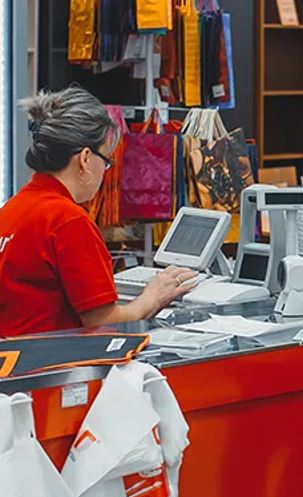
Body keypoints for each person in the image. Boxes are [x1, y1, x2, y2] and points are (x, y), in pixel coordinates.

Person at [0, 87, 196, 337]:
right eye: (106, 161)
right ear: (85, 158)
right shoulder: (67, 220)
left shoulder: (13, 209)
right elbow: (101, 320)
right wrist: (153, 296)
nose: (105, 171)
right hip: (53, 358)